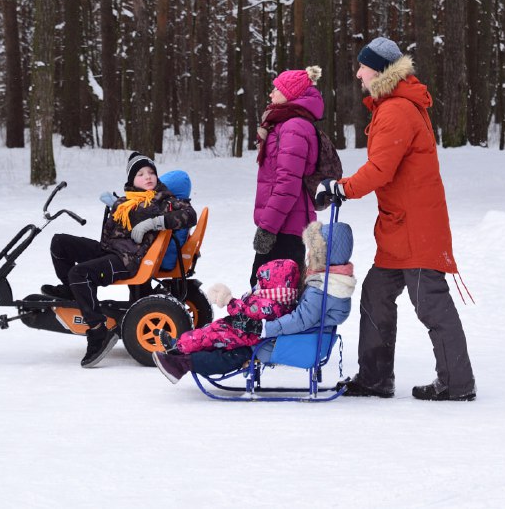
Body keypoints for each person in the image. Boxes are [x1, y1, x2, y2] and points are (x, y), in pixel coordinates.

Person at [316, 36, 476, 401]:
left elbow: (380, 170)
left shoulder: (396, 110)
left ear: (379, 70)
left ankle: (457, 383)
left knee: (431, 303)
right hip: (400, 226)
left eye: (363, 67)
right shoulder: (393, 106)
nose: (358, 74)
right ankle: (374, 378)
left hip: (415, 227)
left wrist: (341, 188)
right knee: (376, 294)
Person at [42, 152, 197, 368]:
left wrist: (155, 222)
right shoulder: (128, 201)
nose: (148, 177)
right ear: (132, 180)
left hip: (128, 259)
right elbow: (123, 225)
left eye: (151, 172)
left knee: (80, 274)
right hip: (109, 250)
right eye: (141, 174)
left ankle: (98, 331)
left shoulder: (163, 200)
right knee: (59, 242)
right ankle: (72, 290)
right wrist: (116, 205)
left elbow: (189, 215)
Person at [152, 221, 356, 384]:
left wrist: (265, 328)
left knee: (236, 350)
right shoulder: (324, 283)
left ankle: (182, 363)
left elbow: (301, 320)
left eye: (314, 250)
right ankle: (181, 350)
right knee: (229, 334)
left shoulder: (323, 289)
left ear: (324, 255)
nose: (309, 254)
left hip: (291, 343)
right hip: (295, 340)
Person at [251, 66, 324, 287]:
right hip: (283, 223)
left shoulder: (294, 127)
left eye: (276, 89)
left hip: (285, 226)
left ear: (291, 94)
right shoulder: (284, 124)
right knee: (267, 291)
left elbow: (287, 184)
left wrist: (268, 228)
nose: (271, 94)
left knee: (270, 293)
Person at [154, 259, 300, 359]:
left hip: (242, 335)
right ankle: (181, 343)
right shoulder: (278, 300)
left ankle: (178, 347)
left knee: (209, 336)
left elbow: (245, 312)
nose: (259, 285)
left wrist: (229, 300)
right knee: (210, 329)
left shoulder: (269, 304)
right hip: (239, 329)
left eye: (263, 282)